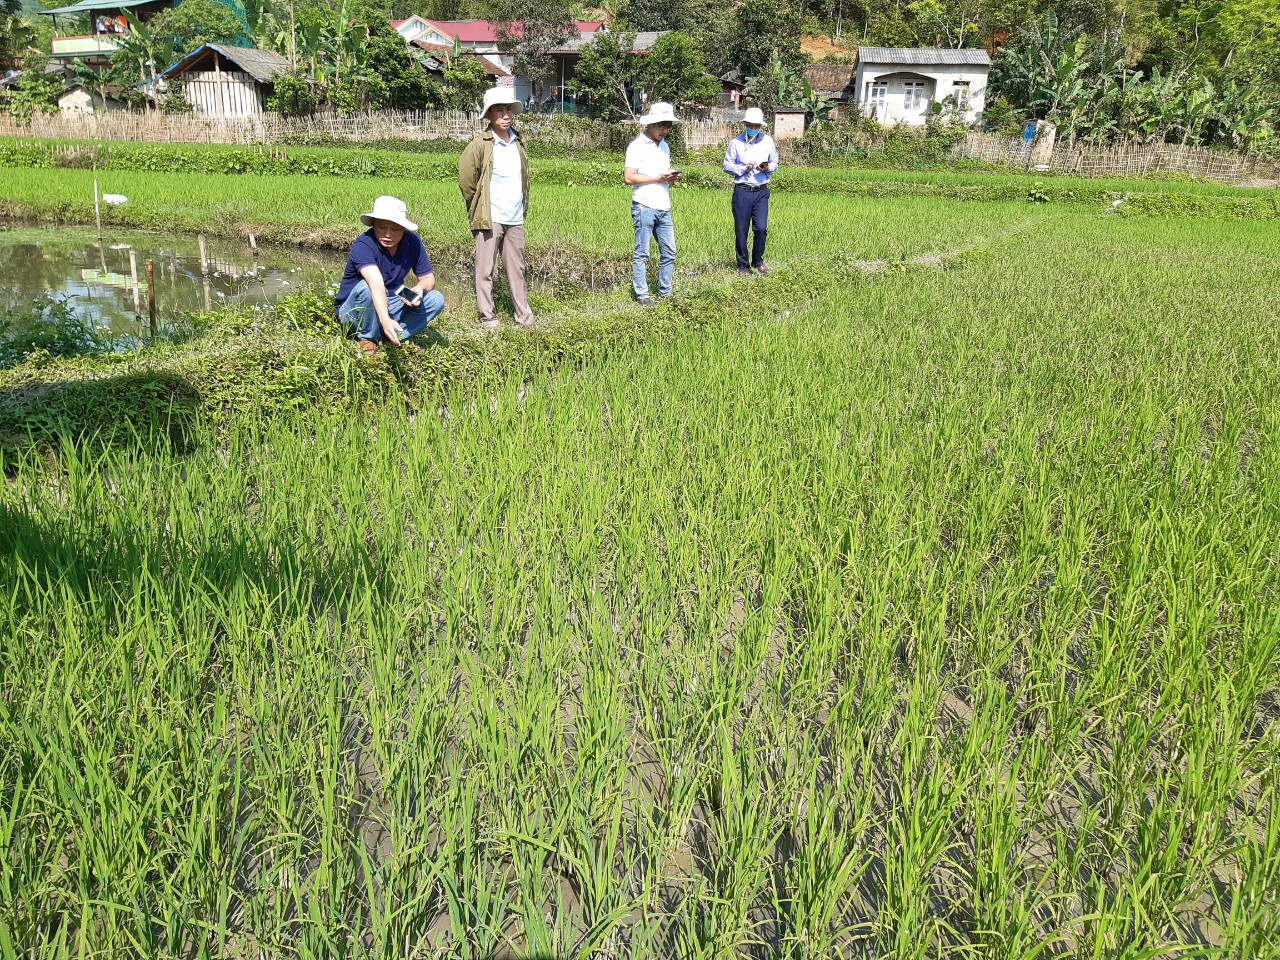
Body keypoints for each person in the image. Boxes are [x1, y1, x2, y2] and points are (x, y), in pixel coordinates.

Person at [458, 86, 533, 331]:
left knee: (517, 269)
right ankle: (487, 317)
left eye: (508, 109)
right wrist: (478, 206)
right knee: (485, 269)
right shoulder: (480, 144)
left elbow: (524, 179)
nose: (505, 115)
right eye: (499, 110)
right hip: (490, 217)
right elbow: (467, 181)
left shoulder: (518, 142)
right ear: (489, 115)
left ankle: (524, 316)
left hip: (514, 217)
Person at [334, 195, 445, 355]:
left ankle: (393, 336)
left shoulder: (412, 241)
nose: (388, 234)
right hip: (355, 306)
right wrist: (385, 318)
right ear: (373, 225)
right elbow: (375, 283)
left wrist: (419, 289)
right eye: (381, 227)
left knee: (436, 299)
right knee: (366, 288)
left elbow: (428, 279)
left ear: (403, 228)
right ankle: (368, 338)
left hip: (394, 295)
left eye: (395, 229)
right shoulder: (363, 244)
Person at [624, 102, 681, 306]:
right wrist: (657, 178)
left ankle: (665, 292)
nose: (664, 130)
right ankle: (642, 295)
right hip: (644, 206)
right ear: (651, 124)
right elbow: (629, 178)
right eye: (661, 126)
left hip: (663, 206)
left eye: (668, 126)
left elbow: (661, 176)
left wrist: (669, 178)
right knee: (642, 252)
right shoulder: (637, 146)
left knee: (670, 251)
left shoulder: (664, 146)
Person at [722, 107, 779, 276]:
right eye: (750, 125)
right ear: (745, 124)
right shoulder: (736, 143)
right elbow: (726, 165)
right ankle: (743, 265)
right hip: (742, 191)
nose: (753, 128)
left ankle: (758, 261)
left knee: (761, 228)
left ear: (761, 126)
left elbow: (775, 161)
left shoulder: (768, 141)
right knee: (741, 229)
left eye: (756, 125)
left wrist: (767, 167)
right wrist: (743, 168)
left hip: (761, 191)